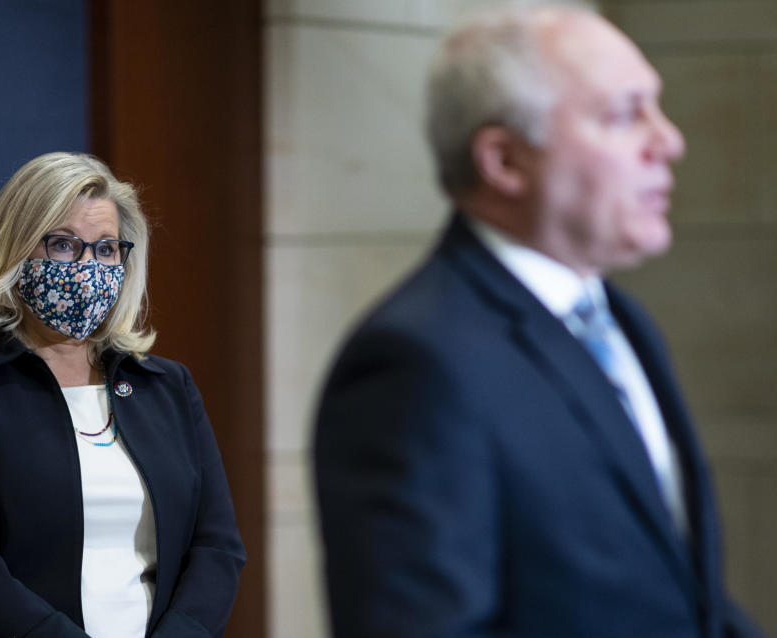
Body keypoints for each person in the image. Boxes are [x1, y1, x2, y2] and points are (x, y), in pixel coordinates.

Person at [314, 4, 765, 638]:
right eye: (624, 114)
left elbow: (681, 597)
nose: (669, 141)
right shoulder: (416, 364)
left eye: (656, 107)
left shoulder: (623, 322)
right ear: (504, 161)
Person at [0, 152, 245, 638]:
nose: (87, 267)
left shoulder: (167, 387)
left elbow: (217, 546)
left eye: (105, 250)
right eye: (63, 245)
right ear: (15, 252)